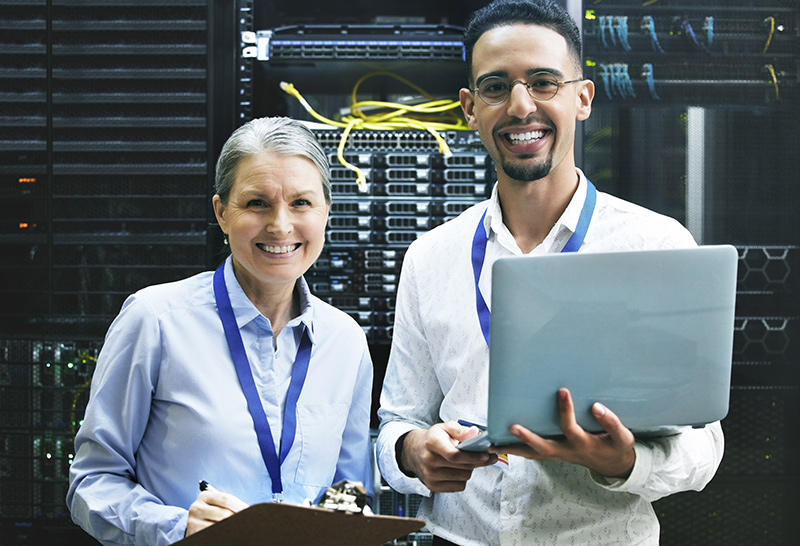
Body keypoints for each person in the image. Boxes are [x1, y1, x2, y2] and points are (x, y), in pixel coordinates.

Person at [376, 1, 724, 545]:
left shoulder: (655, 246)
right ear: (470, 107)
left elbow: (703, 448)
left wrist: (624, 461)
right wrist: (413, 452)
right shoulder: (431, 256)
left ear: (581, 98)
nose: (520, 106)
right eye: (495, 87)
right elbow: (397, 419)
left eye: (543, 82)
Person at [67, 117, 374, 546]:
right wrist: (178, 528)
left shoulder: (346, 341)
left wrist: (348, 513)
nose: (281, 226)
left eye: (301, 203)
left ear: (326, 211)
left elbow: (351, 489)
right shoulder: (154, 319)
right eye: (257, 203)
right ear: (222, 213)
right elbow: (91, 483)